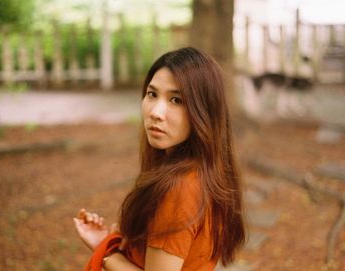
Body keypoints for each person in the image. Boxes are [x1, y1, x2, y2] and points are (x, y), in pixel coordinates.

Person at [74, 47, 245, 271]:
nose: (156, 111)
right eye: (152, 94)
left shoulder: (180, 188)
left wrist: (106, 254)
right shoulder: (207, 170)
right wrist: (116, 241)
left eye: (176, 100)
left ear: (203, 111)